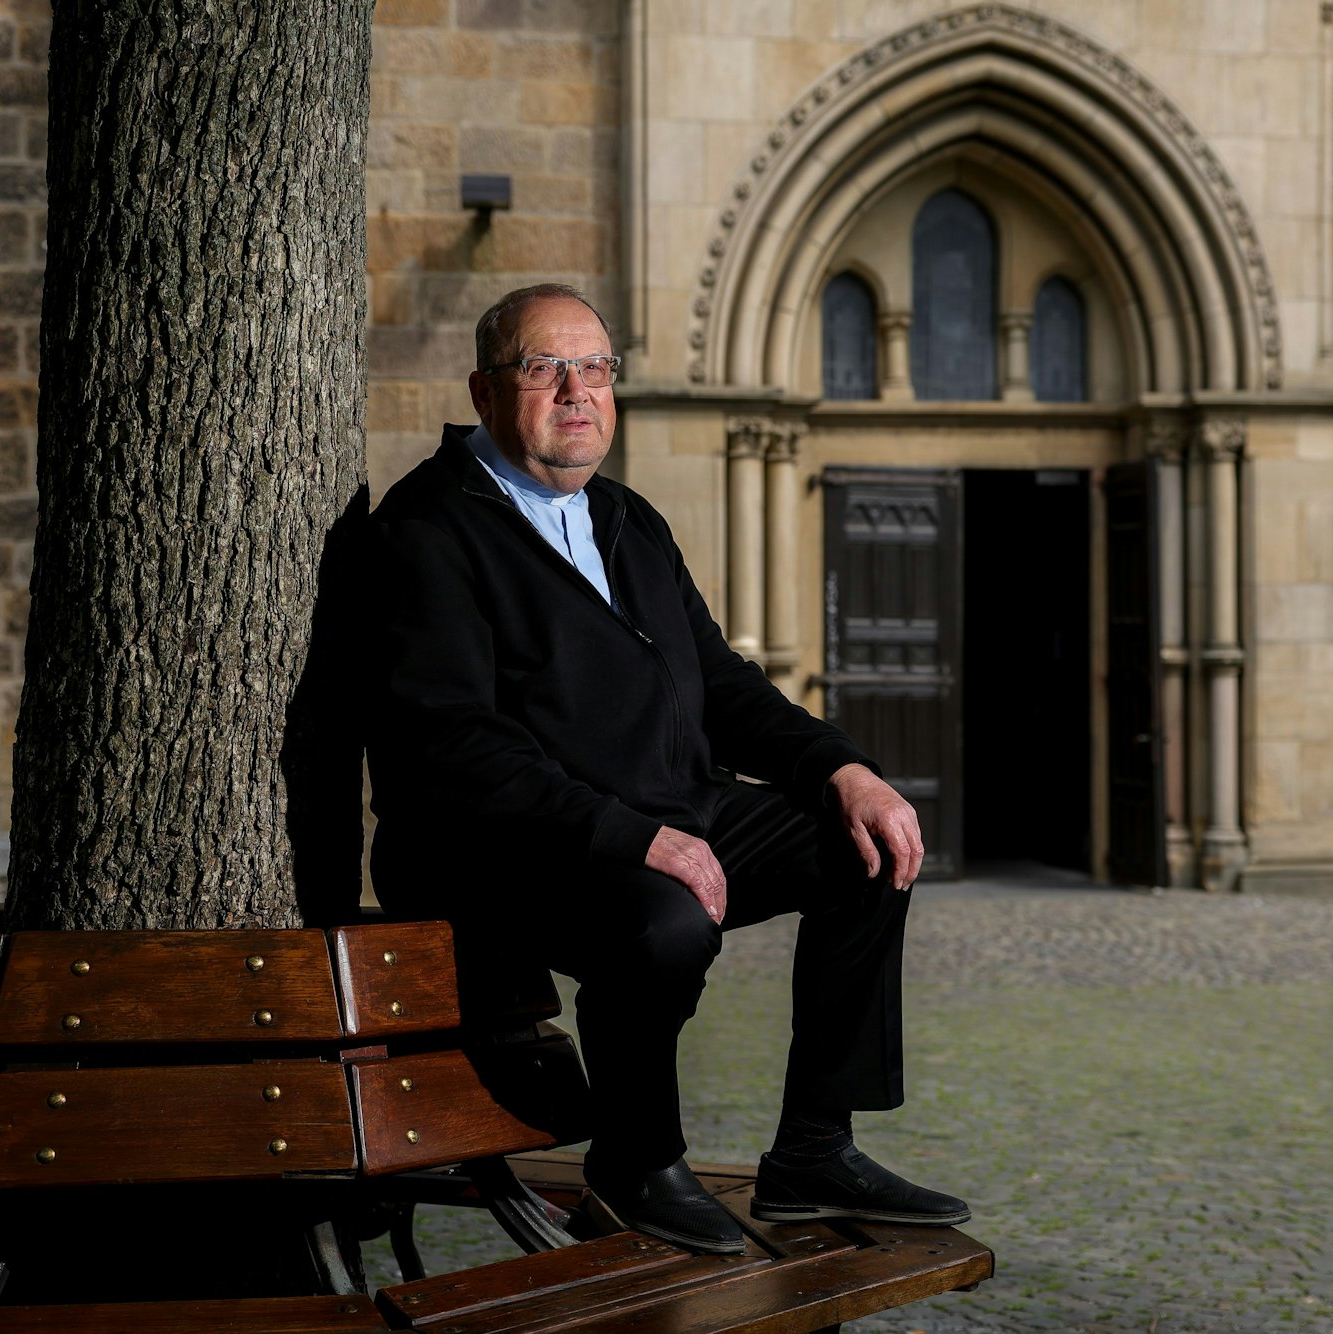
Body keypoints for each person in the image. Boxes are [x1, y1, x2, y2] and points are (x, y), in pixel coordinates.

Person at [364, 283, 969, 1254]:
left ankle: (812, 1149)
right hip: (515, 842)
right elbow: (453, 743)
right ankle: (637, 1158)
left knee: (869, 848)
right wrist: (634, 835)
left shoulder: (623, 517)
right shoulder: (428, 528)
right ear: (484, 390)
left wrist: (841, 770)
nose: (576, 390)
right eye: (542, 367)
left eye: (595, 367)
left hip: (667, 806)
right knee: (664, 917)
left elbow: (722, 685)